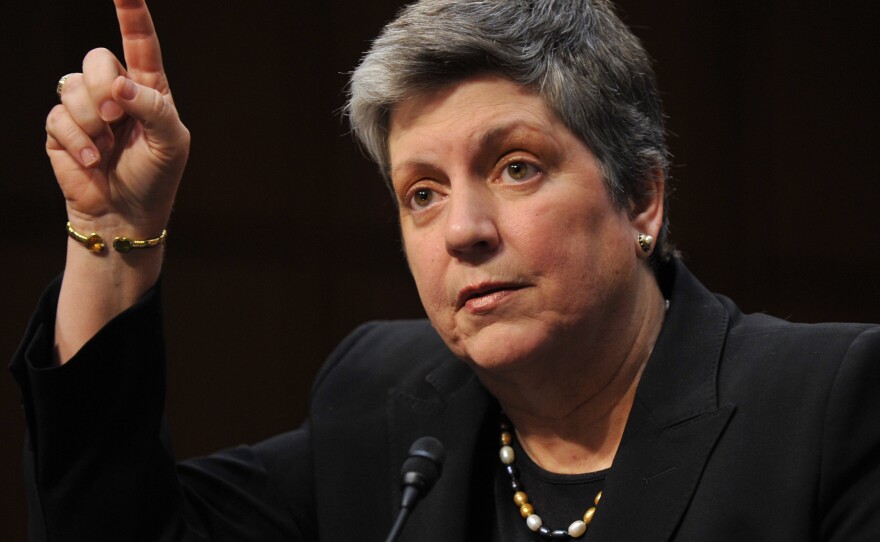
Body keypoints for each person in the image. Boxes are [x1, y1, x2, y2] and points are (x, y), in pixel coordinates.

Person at [10, 0, 880, 540]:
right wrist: (113, 231)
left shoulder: (832, 405)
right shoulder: (383, 408)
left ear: (643, 198)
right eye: (421, 192)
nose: (462, 230)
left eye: (516, 168)